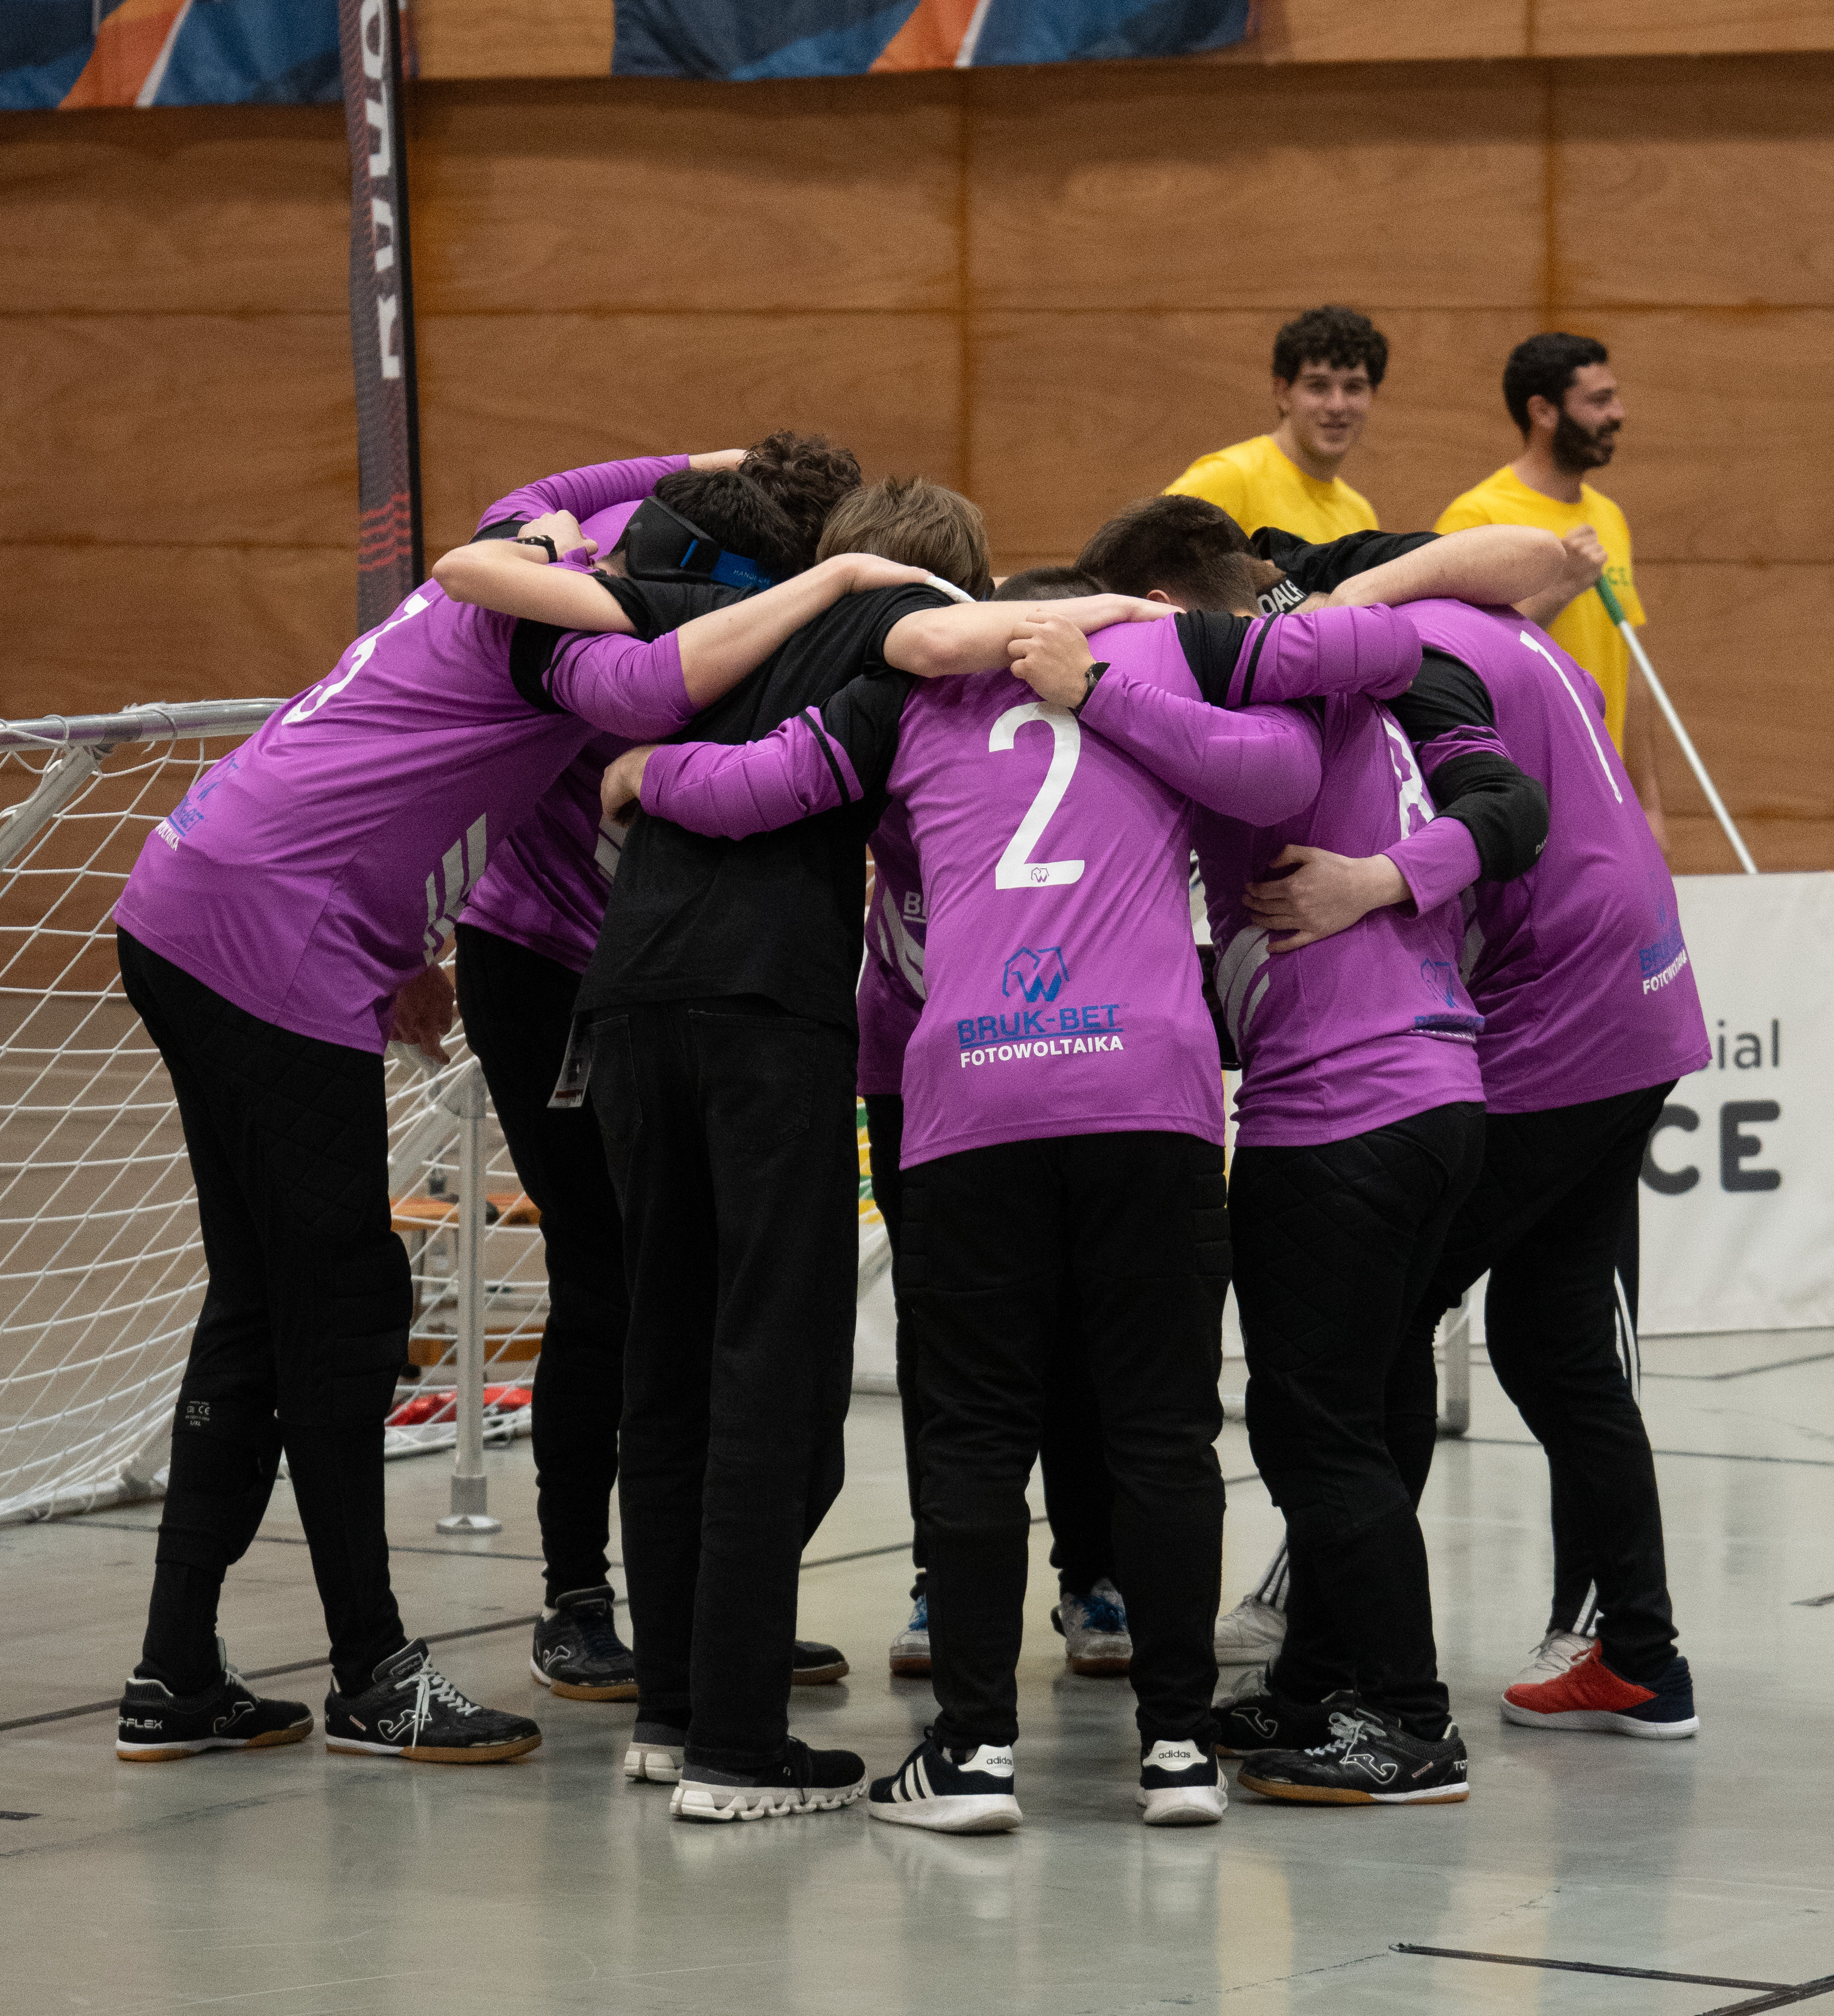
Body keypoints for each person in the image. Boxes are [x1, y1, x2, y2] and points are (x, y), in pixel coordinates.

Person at [613, 560, 1451, 1831]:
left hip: (973, 1100)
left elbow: (750, 789)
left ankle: (972, 1753)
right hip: (1148, 1093)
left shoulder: (911, 687)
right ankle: (1176, 1749)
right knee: (1162, 1431)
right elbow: (1292, 763)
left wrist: (637, 773)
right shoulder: (1163, 656)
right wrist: (1113, 682)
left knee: (974, 1437)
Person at [109, 472, 909, 1768]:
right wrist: (837, 584)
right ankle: (371, 1671)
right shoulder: (566, 635)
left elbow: (561, 495)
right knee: (342, 1313)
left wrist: (710, 456)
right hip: (274, 941)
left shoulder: (526, 545)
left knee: (260, 1306)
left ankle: (176, 1671)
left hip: (191, 893)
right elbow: (651, 692)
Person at [451, 510, 1163, 1825]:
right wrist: (1134, 615)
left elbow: (504, 589)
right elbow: (946, 650)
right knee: (768, 1376)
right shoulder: (883, 635)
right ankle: (737, 1747)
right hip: (761, 1016)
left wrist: (629, 748)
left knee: (659, 1363)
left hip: (621, 1004)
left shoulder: (677, 612)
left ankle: (668, 1718)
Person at [1069, 498, 1550, 1808]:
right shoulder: (1351, 683)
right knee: (1367, 1410)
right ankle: (1327, 1684)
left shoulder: (1269, 701)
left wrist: (1096, 685)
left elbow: (1259, 779)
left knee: (1313, 1426)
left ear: (1168, 610)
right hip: (1433, 1084)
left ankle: (1406, 1717)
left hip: (1346, 1105)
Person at [1239, 563, 1711, 1741]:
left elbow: (1499, 824)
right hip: (1643, 987)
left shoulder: (1400, 651)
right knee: (1552, 1346)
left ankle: (1348, 1663)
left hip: (1559, 1010)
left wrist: (1374, 885)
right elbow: (1533, 552)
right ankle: (1640, 1655)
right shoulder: (1501, 619)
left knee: (1384, 1323)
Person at [452, 438, 859, 1708]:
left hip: (685, 970)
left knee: (729, 1286)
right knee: (608, 1275)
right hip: (547, 955)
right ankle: (578, 1594)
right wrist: (685, 460)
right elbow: (512, 515)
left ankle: (709, 1603)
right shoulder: (659, 569)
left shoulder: (793, 591)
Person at [862, 554, 1133, 1689]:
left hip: (1067, 1052)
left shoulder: (1100, 727)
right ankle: (942, 1574)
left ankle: (1094, 1573)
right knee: (944, 1336)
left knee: (1082, 1327)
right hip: (914, 1055)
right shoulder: (909, 714)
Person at [1434, 331, 1665, 843]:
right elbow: (1457, 661)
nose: (1618, 414)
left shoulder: (1609, 516)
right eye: (1599, 400)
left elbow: (1632, 667)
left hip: (1611, 797)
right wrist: (1560, 587)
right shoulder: (1478, 516)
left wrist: (1649, 802)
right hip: (1529, 797)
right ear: (1543, 412)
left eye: (1615, 397)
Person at [1167, 304, 1389, 546]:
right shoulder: (1226, 478)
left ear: (1372, 395)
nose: (1337, 406)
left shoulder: (1360, 516)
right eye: (1318, 386)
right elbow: (1139, 564)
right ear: (1283, 393)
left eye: (1354, 388)